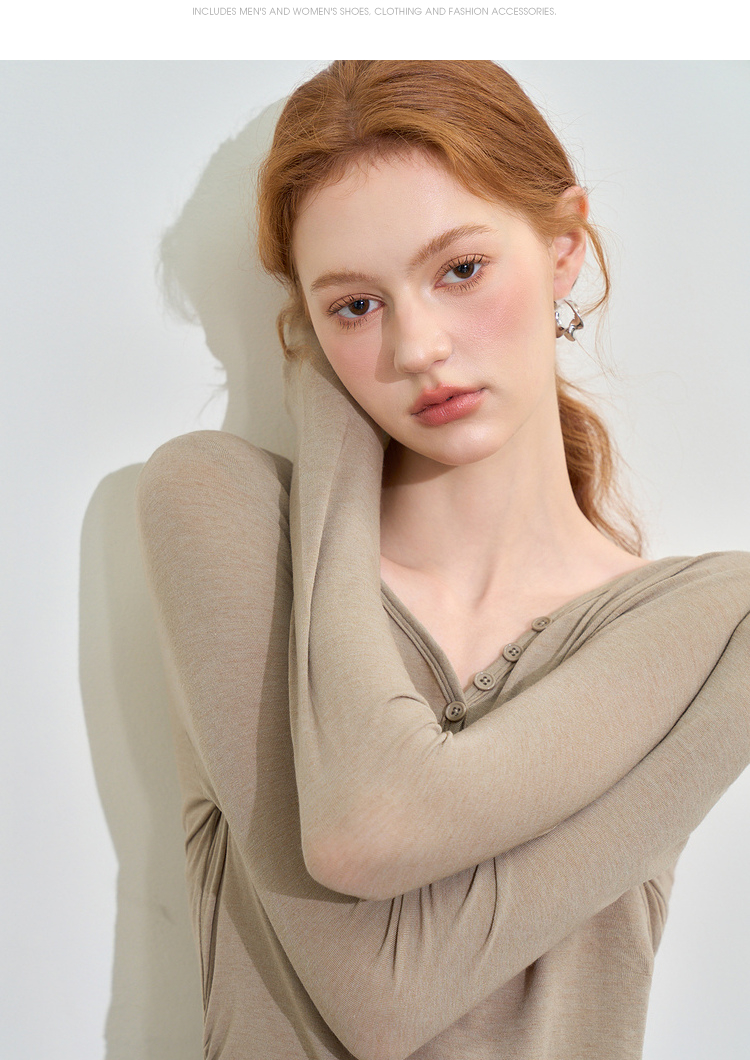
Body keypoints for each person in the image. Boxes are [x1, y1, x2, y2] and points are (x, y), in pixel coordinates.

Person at [136, 61, 750, 1060]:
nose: (418, 346)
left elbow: (378, 935)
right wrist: (335, 428)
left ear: (564, 246)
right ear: (306, 332)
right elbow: (368, 877)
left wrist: (334, 396)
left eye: (460, 270)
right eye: (355, 306)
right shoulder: (221, 513)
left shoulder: (718, 623)